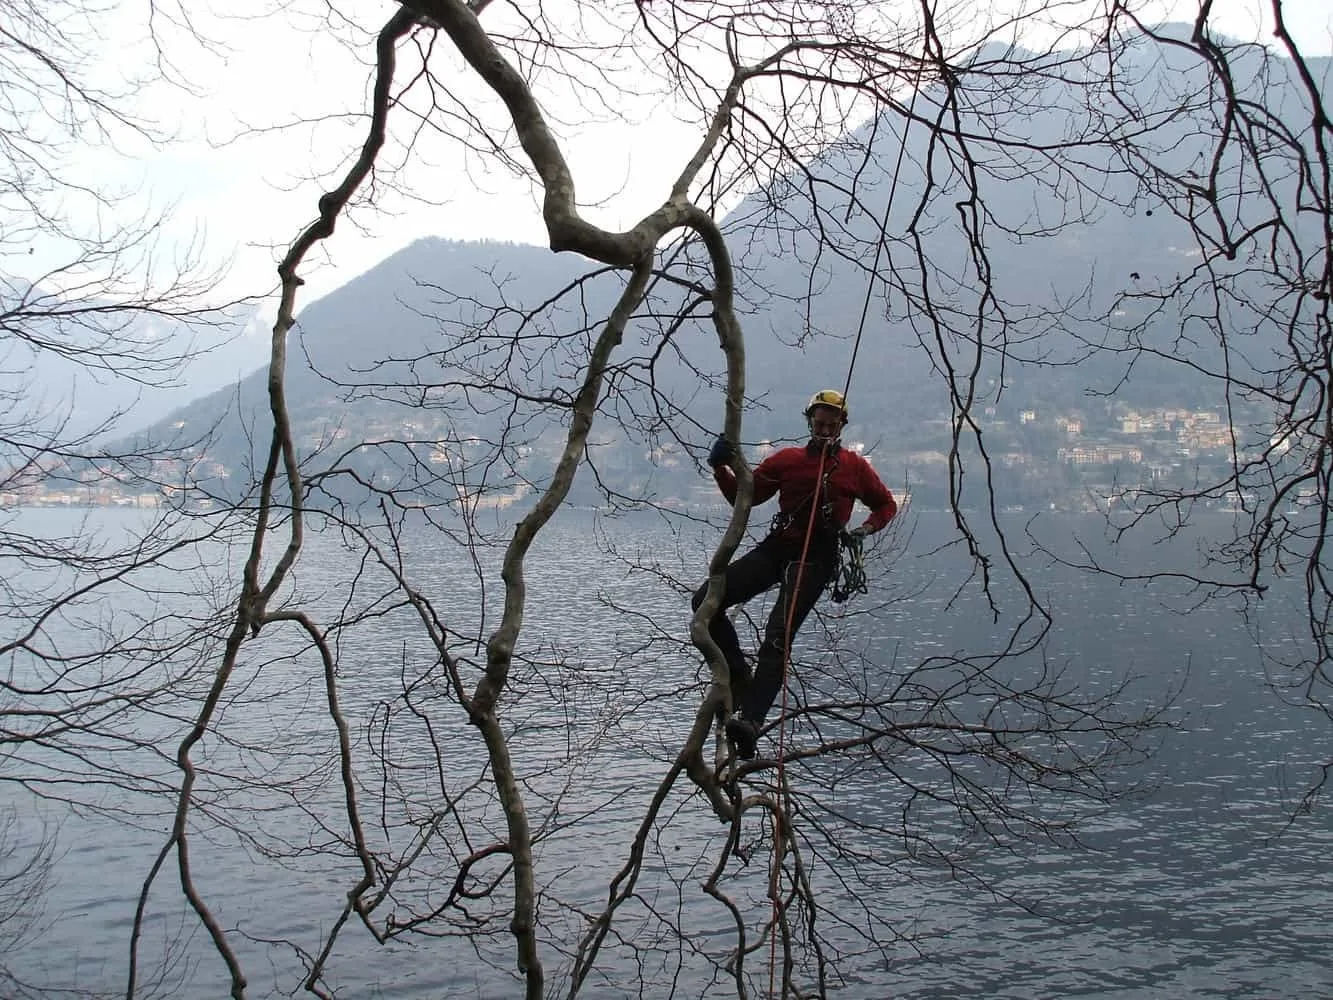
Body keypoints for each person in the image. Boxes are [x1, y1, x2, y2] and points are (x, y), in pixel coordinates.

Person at [692, 389, 898, 760]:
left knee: (778, 636)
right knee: (705, 600)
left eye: (830, 426)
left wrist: (866, 528)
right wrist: (721, 467)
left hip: (817, 558)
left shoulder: (854, 467)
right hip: (778, 548)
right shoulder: (787, 461)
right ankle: (739, 673)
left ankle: (751, 721)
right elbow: (746, 496)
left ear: (841, 427)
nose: (823, 432)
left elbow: (885, 503)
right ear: (809, 423)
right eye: (818, 425)